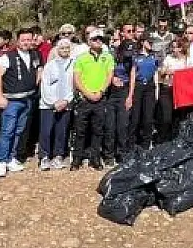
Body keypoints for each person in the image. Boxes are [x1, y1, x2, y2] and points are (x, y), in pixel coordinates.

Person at [0, 28, 41, 177]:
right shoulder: (8, 56)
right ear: (17, 41)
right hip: (11, 100)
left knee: (19, 131)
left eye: (29, 39)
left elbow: (39, 69)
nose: (26, 42)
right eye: (23, 40)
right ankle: (1, 161)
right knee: (7, 131)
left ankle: (11, 158)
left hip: (28, 99)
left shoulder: (35, 54)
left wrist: (35, 83)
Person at [71, 31, 114, 170]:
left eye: (100, 39)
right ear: (89, 42)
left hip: (100, 98)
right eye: (95, 39)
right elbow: (77, 78)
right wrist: (87, 93)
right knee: (80, 130)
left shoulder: (108, 57)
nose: (98, 41)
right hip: (84, 99)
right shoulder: (81, 58)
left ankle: (95, 159)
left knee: (98, 130)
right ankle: (77, 158)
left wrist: (101, 91)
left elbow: (109, 76)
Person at [38, 39, 75, 170]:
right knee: (46, 131)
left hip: (66, 103)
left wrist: (66, 101)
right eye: (62, 48)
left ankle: (59, 155)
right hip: (48, 105)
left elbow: (74, 86)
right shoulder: (50, 65)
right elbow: (45, 85)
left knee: (61, 131)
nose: (64, 50)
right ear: (57, 50)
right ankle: (44, 157)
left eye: (67, 48)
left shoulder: (74, 64)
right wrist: (54, 102)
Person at [103, 34, 136, 163]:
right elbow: (105, 72)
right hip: (111, 92)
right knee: (110, 125)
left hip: (124, 91)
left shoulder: (132, 60)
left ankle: (121, 152)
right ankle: (108, 154)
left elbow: (132, 77)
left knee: (122, 125)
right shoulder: (112, 57)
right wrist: (112, 79)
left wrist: (130, 96)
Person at [157, 38, 193, 142]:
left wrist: (178, 72)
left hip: (181, 91)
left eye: (177, 47)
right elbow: (161, 73)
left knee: (179, 117)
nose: (174, 50)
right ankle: (162, 139)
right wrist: (165, 71)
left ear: (181, 48)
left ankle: (176, 139)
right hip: (167, 89)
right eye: (173, 47)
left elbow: (191, 75)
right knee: (166, 118)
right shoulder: (168, 58)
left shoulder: (188, 60)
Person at [130, 37, 159, 148]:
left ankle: (146, 145)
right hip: (138, 86)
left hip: (150, 87)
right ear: (143, 42)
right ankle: (131, 145)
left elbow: (155, 73)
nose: (150, 44)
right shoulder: (136, 57)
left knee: (148, 118)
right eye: (148, 41)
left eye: (152, 42)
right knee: (135, 117)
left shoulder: (154, 57)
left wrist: (157, 91)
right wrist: (131, 93)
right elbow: (133, 75)